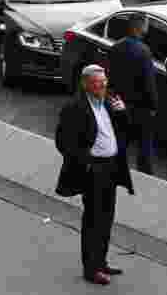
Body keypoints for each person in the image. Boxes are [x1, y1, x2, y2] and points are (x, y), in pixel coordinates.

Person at [55, 65, 134, 286]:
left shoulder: (109, 103)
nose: (103, 85)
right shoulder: (75, 107)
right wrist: (85, 162)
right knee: (93, 220)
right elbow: (63, 142)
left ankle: (101, 261)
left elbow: (126, 133)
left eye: (104, 81)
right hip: (93, 170)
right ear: (86, 84)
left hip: (111, 168)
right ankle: (91, 269)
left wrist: (122, 113)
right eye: (98, 82)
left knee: (107, 218)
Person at [107, 14, 158, 174]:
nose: (147, 28)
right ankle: (145, 178)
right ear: (139, 27)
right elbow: (148, 82)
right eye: (146, 25)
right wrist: (153, 105)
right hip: (140, 107)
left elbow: (110, 77)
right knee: (144, 147)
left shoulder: (115, 47)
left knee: (120, 141)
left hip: (119, 103)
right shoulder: (144, 51)